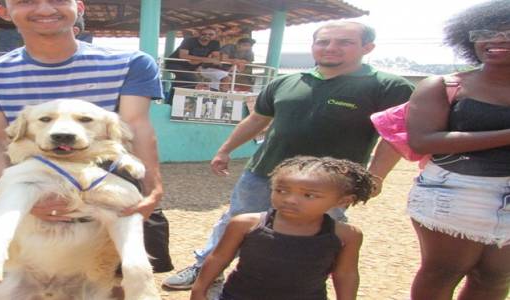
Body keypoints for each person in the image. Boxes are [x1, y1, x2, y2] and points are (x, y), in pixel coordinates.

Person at [163, 21, 415, 290]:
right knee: (235, 220)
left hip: (331, 184)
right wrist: (225, 150)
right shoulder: (286, 81)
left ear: (367, 47)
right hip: (264, 172)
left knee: (320, 233)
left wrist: (376, 176)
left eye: (344, 42)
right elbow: (257, 119)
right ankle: (205, 268)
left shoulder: (388, 87)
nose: (330, 48)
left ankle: (303, 283)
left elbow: (394, 135)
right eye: (323, 42)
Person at [0, 0, 173, 288]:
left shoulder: (131, 63)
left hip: (110, 182)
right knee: (19, 280)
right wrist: (19, 193)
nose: (44, 8)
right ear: (4, 12)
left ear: (79, 6)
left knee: (112, 283)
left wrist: (152, 189)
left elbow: (136, 126)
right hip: (32, 185)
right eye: (26, 1)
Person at [405, 1, 510, 299]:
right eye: (485, 32)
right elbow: (424, 141)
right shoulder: (443, 85)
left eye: (508, 32)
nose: (496, 40)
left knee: (495, 277)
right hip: (456, 188)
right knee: (443, 271)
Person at [191, 156, 374, 300]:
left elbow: (346, 273)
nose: (289, 199)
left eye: (308, 195)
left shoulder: (346, 235)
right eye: (281, 190)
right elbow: (218, 258)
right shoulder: (245, 224)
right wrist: (199, 291)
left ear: (343, 201)